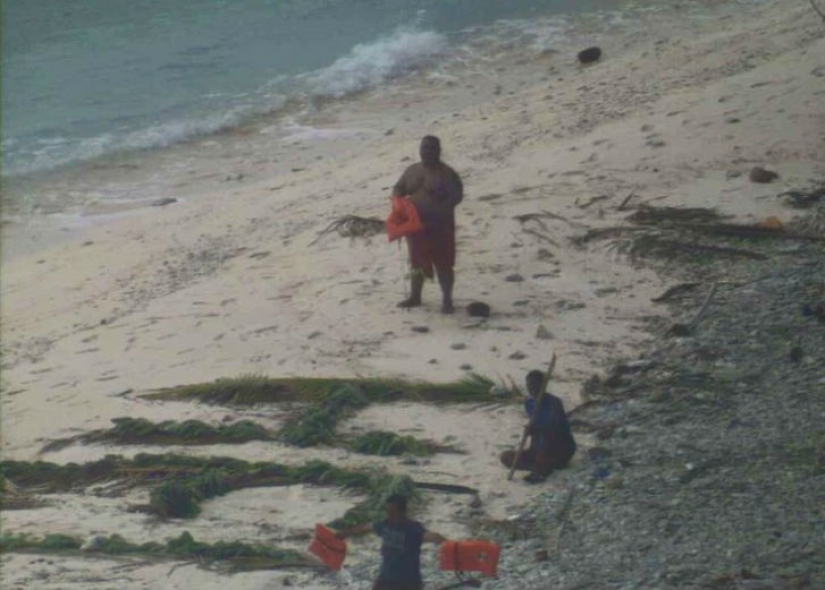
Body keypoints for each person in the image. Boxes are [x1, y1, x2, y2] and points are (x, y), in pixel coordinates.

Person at [392, 136, 463, 314]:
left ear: (439, 151)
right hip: (416, 226)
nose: (428, 151)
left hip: (440, 226)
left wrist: (440, 207)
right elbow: (398, 188)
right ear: (419, 150)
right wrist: (398, 203)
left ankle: (447, 300)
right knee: (417, 262)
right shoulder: (412, 171)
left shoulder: (447, 174)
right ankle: (415, 296)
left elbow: (456, 196)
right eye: (425, 148)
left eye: (432, 148)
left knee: (443, 263)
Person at [335, 494, 446, 590]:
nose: (389, 515)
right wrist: (344, 534)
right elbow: (366, 528)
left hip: (408, 582)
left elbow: (433, 537)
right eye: (387, 511)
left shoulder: (413, 529)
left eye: (393, 512)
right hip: (386, 578)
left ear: (402, 512)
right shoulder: (384, 525)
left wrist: (451, 547)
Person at [500, 369, 576, 483]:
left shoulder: (554, 403)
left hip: (559, 448)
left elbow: (556, 429)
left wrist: (537, 429)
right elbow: (535, 426)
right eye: (529, 386)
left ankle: (542, 467)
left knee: (546, 449)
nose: (532, 389)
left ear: (543, 386)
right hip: (538, 448)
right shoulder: (529, 403)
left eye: (535, 386)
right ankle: (536, 468)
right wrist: (530, 431)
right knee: (505, 456)